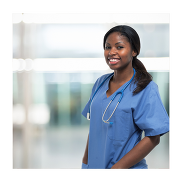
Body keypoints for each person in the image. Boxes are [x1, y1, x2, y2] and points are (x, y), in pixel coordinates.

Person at [81, 25, 169, 169]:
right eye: (108, 47)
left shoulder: (146, 87)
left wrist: (116, 170)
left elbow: (154, 137)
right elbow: (95, 128)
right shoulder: (100, 83)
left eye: (119, 47)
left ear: (134, 51)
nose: (111, 52)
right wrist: (85, 164)